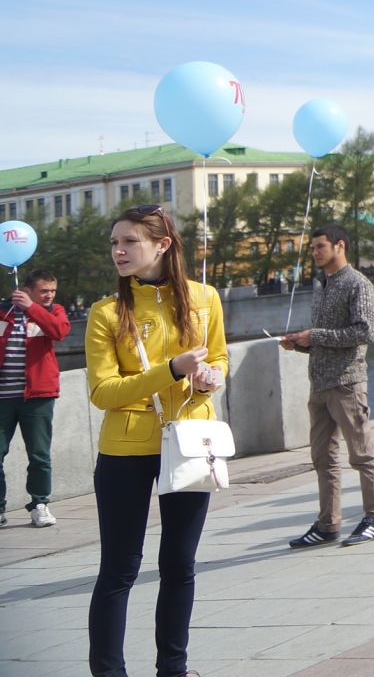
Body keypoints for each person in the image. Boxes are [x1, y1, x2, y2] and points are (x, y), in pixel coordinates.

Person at [85, 204, 228, 677]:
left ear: (163, 244)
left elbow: (221, 359)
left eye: (129, 242)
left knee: (179, 564)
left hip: (189, 440)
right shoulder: (106, 312)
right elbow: (102, 392)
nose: (118, 252)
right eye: (114, 243)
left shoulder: (205, 297)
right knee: (119, 570)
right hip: (126, 449)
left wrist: (210, 378)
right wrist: (169, 371)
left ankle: (174, 668)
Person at [282, 224, 374, 548]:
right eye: (313, 247)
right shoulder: (322, 285)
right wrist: (300, 344)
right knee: (322, 457)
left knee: (362, 454)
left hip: (347, 383)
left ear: (339, 246)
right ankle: (328, 523)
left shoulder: (358, 284)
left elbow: (364, 332)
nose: (314, 253)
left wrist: (314, 336)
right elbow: (326, 336)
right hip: (320, 384)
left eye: (320, 247)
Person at [1, 266, 69, 528]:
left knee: (39, 455)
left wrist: (32, 308)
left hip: (38, 395)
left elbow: (59, 332)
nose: (49, 295)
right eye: (43, 291)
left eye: (52, 290)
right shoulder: (3, 312)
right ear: (26, 289)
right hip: (3, 397)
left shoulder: (53, 311)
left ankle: (40, 504)